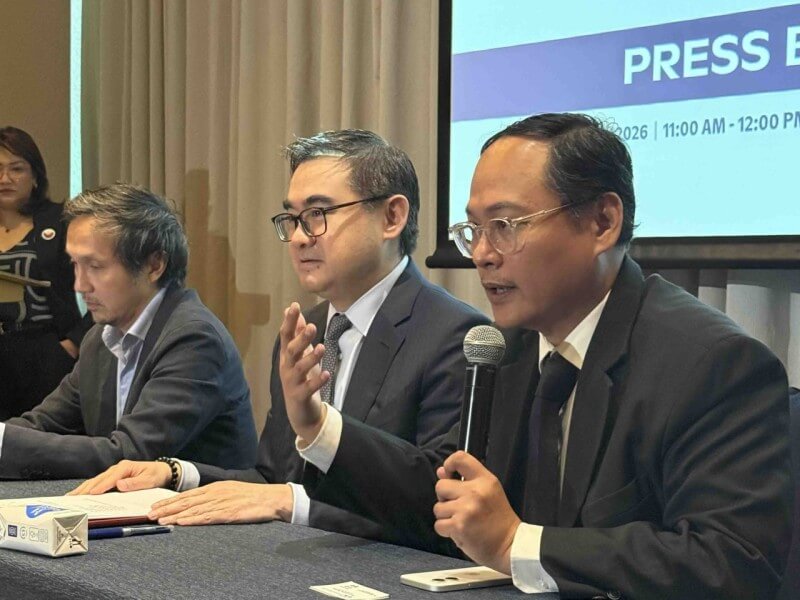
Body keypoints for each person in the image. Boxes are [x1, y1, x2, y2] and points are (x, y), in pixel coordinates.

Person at [277, 114, 792, 598]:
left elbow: (732, 561)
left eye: (506, 224)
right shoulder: (510, 349)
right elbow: (445, 494)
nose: (482, 253)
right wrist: (318, 427)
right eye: (474, 229)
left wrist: (517, 543)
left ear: (602, 222)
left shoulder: (711, 363)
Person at [71, 130, 488, 539]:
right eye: (292, 219)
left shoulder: (454, 335)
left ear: (391, 217)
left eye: (318, 214)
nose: (300, 237)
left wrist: (293, 501)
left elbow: (437, 502)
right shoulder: (306, 330)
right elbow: (273, 477)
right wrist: (176, 471)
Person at [0, 183, 258, 479]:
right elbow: (44, 423)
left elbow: (130, 455)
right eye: (75, 265)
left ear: (154, 265)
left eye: (94, 266)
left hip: (208, 519)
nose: (79, 285)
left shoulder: (194, 339)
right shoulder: (100, 338)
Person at [0, 126, 91, 419]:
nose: (5, 178)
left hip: (45, 352)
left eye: (17, 168)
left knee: (44, 443)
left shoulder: (62, 221)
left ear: (35, 176)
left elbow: (99, 283)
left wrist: (72, 344)